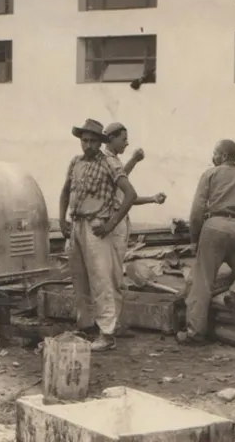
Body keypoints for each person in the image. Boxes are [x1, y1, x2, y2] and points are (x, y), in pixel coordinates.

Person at [177, 139, 235, 345]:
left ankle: (195, 333)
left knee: (203, 280)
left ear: (224, 156)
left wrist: (194, 239)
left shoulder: (210, 174)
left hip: (213, 226)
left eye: (215, 153)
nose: (213, 157)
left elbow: (196, 211)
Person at [59, 118, 137, 352]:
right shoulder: (76, 162)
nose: (88, 145)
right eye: (85, 140)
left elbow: (130, 194)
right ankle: (86, 326)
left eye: (93, 141)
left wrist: (111, 224)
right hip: (76, 225)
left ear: (100, 142)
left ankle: (107, 333)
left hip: (96, 226)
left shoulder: (109, 164)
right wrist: (62, 219)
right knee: (79, 278)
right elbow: (65, 191)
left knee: (102, 279)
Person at [101, 122, 167, 338]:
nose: (127, 142)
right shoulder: (107, 160)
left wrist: (152, 199)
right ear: (111, 139)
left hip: (118, 222)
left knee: (114, 275)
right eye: (123, 138)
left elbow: (124, 188)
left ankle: (113, 323)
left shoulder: (113, 161)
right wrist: (135, 161)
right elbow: (124, 192)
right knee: (112, 277)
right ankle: (112, 326)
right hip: (115, 224)